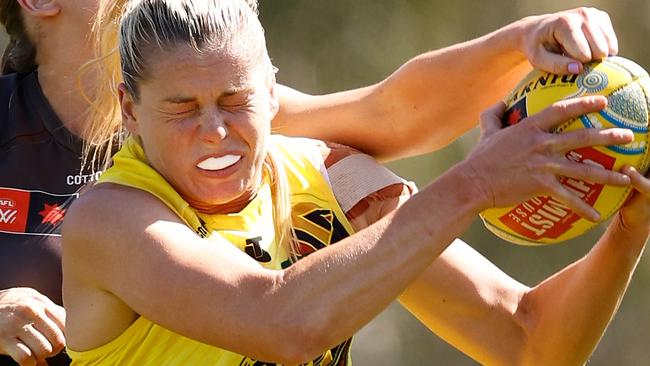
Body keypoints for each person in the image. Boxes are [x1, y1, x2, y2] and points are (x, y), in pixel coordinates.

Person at [0, 0, 624, 364]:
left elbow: (528, 340)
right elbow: (282, 321)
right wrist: (474, 183)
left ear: (273, 94)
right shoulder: (108, 217)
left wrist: (632, 216)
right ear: (130, 110)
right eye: (182, 109)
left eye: (236, 100)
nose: (215, 132)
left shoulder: (328, 174)